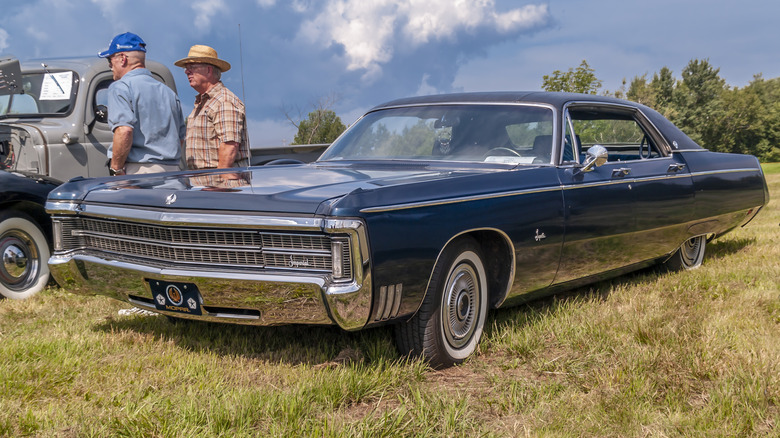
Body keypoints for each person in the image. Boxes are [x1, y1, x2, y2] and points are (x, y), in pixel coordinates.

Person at [98, 32, 186, 176]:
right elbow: (180, 138)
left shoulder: (120, 87)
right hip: (172, 172)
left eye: (110, 59)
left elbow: (124, 131)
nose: (110, 65)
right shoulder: (168, 93)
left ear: (122, 59)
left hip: (139, 172)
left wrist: (116, 169)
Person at [174, 45, 250, 173]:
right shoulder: (205, 102)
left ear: (209, 70)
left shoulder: (223, 101)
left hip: (219, 186)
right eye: (186, 68)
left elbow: (229, 146)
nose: (187, 72)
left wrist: (219, 185)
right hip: (206, 183)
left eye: (191, 67)